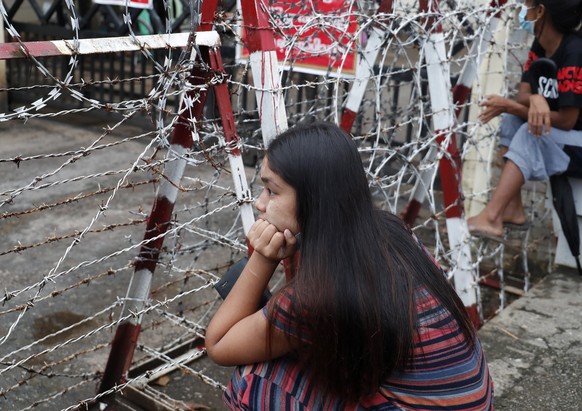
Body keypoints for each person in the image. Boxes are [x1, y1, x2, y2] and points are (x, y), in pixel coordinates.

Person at [205, 122, 493, 410]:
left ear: (313, 199)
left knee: (257, 378)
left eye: (271, 190)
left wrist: (264, 258)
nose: (260, 203)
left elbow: (220, 344)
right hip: (471, 400)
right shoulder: (392, 232)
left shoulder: (319, 293)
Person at [468, 0, 582, 239]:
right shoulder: (540, 46)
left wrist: (512, 105)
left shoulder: (574, 52)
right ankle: (513, 209)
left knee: (530, 133)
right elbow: (523, 95)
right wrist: (537, 99)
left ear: (540, 11)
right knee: (511, 121)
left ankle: (491, 218)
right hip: (562, 135)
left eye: (527, 4)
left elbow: (567, 120)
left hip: (577, 140)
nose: (522, 10)